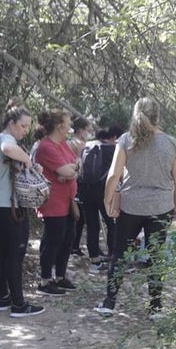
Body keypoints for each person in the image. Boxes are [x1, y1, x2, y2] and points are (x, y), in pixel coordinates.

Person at [96, 97, 176, 316]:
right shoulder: (171, 143)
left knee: (119, 254)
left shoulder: (126, 140)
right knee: (156, 256)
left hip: (131, 206)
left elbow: (114, 175)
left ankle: (109, 303)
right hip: (161, 206)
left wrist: (107, 201)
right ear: (158, 116)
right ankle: (155, 307)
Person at [0, 97, 44, 317]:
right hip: (7, 205)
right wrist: (28, 159)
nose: (25, 131)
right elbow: (9, 149)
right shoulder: (4, 138)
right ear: (11, 123)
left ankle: (3, 298)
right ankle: (18, 304)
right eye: (23, 126)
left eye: (28, 126)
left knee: (1, 253)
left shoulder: (1, 139)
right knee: (14, 254)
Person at [33, 109, 80, 295]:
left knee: (68, 238)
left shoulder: (63, 144)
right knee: (53, 240)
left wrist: (70, 171)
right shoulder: (46, 146)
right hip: (52, 201)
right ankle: (45, 280)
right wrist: (68, 172)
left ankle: (60, 276)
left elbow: (76, 165)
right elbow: (68, 171)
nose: (70, 126)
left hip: (68, 200)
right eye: (68, 122)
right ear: (60, 125)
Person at [78, 124, 122, 272]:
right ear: (114, 137)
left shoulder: (86, 146)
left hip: (85, 192)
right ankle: (113, 257)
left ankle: (95, 261)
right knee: (112, 224)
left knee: (92, 226)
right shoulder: (112, 149)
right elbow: (116, 175)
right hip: (103, 193)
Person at [68, 115, 94, 256]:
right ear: (81, 129)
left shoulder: (75, 142)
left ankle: (74, 245)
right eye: (87, 130)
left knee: (80, 217)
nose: (88, 133)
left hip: (79, 181)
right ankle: (73, 245)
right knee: (78, 217)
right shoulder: (77, 143)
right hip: (78, 182)